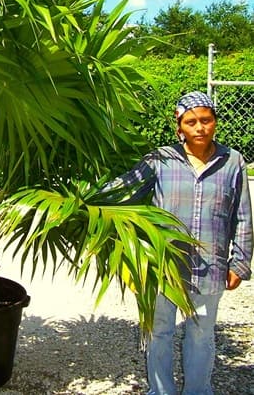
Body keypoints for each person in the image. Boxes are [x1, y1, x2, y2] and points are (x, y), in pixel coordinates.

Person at [102, 91, 253, 395]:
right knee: (159, 331)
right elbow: (124, 188)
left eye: (206, 120)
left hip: (210, 267)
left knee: (201, 334)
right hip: (163, 267)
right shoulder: (161, 159)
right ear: (179, 128)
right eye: (191, 121)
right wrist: (84, 200)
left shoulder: (232, 161)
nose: (200, 127)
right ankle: (161, 391)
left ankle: (198, 390)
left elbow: (243, 215)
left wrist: (240, 261)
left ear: (215, 122)